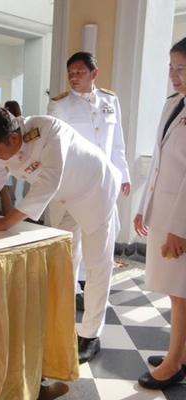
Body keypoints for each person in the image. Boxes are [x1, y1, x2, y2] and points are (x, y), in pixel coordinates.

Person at [0, 108, 121, 363]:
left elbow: (48, 181)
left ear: (13, 138)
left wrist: (6, 221)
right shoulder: (2, 146)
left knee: (97, 265)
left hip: (94, 190)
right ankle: (61, 326)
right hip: (63, 199)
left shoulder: (49, 131)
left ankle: (90, 336)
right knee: (64, 261)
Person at [47, 52, 131, 311]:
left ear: (94, 73)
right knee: (72, 242)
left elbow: (117, 142)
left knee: (101, 242)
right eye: (70, 73)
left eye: (79, 72)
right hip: (74, 186)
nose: (74, 77)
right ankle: (70, 292)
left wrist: (123, 174)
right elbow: (55, 149)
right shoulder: (60, 105)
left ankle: (92, 292)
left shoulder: (110, 100)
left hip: (104, 185)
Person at [134, 37, 186, 390]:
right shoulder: (173, 104)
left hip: (181, 219)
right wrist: (143, 207)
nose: (173, 75)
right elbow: (159, 163)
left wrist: (180, 227)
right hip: (165, 211)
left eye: (181, 68)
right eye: (171, 67)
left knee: (181, 292)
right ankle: (181, 352)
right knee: (174, 289)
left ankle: (174, 363)